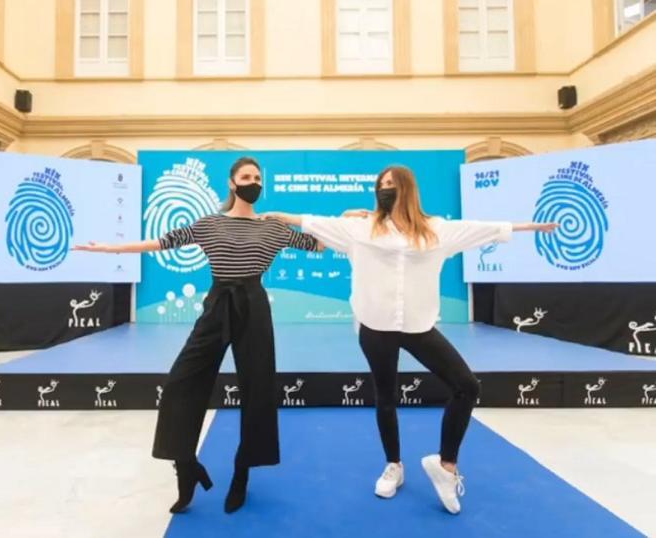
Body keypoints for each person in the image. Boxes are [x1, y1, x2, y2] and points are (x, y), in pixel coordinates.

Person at [264, 165, 557, 515]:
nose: (385, 189)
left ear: (407, 188)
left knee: (467, 385)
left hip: (418, 325)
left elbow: (484, 229)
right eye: (381, 185)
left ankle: (446, 466)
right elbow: (310, 221)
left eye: (391, 184)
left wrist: (530, 227)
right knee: (385, 397)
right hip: (375, 326)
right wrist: (278, 215)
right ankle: (394, 466)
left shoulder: (436, 230)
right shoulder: (361, 229)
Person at [74, 156, 321, 514]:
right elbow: (161, 242)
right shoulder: (209, 224)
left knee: (258, 389)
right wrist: (110, 249)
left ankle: (242, 473)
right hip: (218, 303)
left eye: (257, 177)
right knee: (180, 382)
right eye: (246, 176)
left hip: (254, 306)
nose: (253, 182)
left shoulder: (272, 228)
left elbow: (319, 245)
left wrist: (346, 224)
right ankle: (185, 466)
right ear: (233, 184)